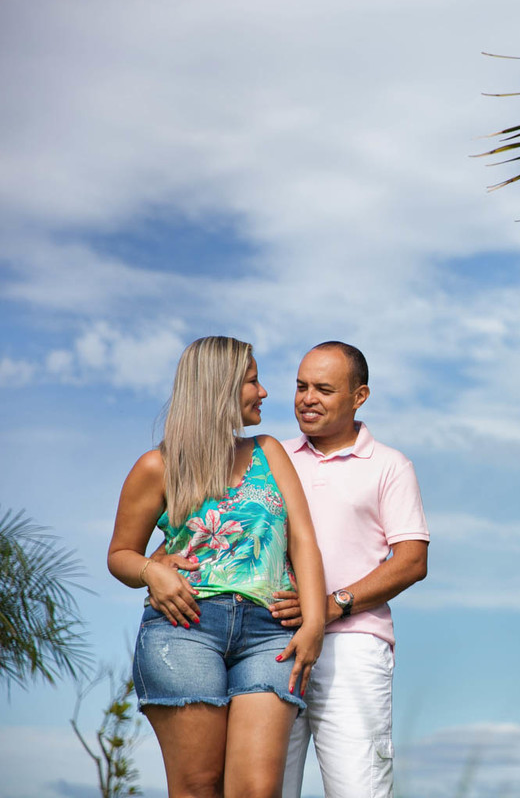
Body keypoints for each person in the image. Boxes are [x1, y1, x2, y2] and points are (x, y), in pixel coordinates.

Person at [107, 335, 326, 798]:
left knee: (256, 789)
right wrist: (152, 571)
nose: (263, 392)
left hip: (270, 634)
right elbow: (121, 554)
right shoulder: (157, 467)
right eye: (252, 381)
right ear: (218, 388)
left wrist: (315, 622)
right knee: (198, 786)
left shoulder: (269, 451)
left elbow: (304, 540)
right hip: (185, 628)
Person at [268, 341, 429, 798]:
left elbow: (412, 561)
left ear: (360, 396)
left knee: (360, 789)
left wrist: (331, 606)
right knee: (264, 788)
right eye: (301, 386)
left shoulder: (390, 465)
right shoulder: (271, 458)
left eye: (323, 389)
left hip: (353, 648)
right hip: (270, 643)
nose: (307, 399)